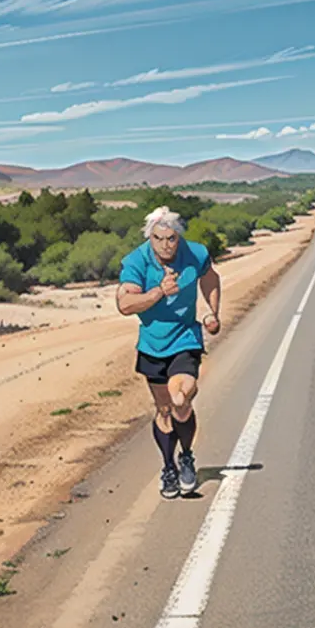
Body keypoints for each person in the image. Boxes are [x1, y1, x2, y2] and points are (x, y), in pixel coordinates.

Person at [116, 206, 222, 498]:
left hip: (186, 338)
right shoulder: (136, 261)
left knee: (179, 398)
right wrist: (158, 292)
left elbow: (210, 277)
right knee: (164, 410)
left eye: (171, 239)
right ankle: (169, 468)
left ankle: (186, 455)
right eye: (158, 238)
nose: (165, 245)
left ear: (179, 237)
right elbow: (125, 304)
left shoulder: (195, 253)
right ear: (150, 236)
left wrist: (212, 312)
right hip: (152, 344)